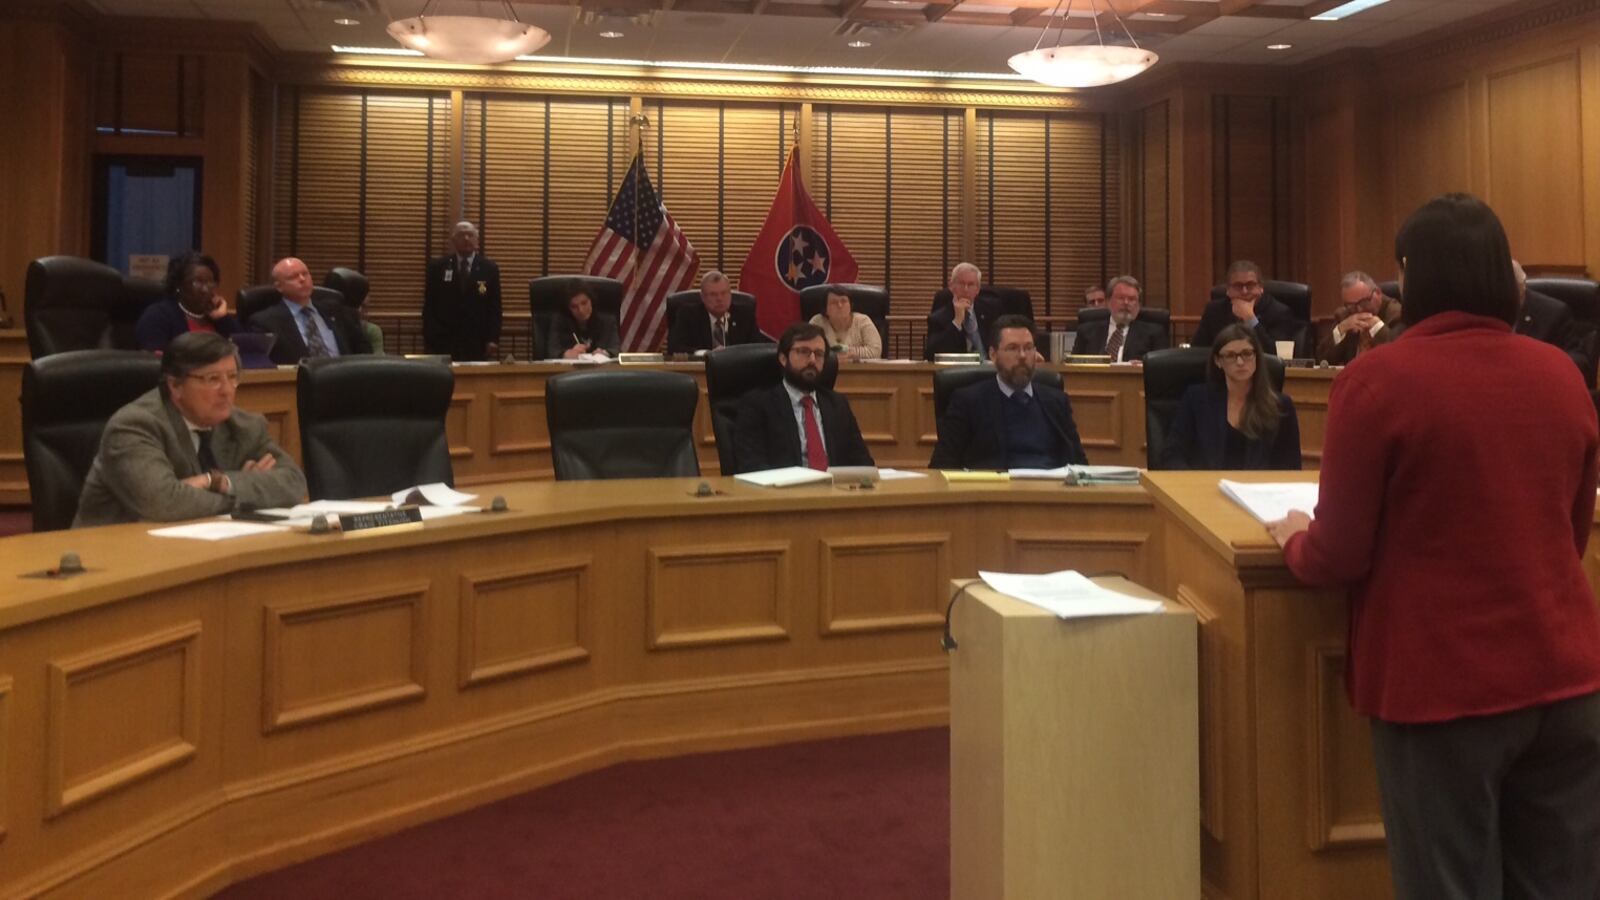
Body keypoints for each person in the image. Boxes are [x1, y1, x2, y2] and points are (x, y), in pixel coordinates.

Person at [1265, 194, 1600, 900]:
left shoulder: (1377, 380)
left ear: (1410, 274)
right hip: (1568, 680)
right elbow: (1570, 534)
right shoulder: (1561, 374)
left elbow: (1339, 553)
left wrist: (1296, 541)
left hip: (1442, 689)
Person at [73, 332, 307, 527]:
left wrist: (220, 482)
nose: (227, 390)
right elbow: (163, 503)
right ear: (175, 385)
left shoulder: (243, 425)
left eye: (232, 377)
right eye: (213, 379)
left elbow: (293, 482)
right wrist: (247, 493)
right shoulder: (134, 426)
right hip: (114, 553)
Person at [929, 315, 1087, 470]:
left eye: (1028, 348)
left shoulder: (1056, 401)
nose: (1022, 356)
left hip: (1049, 484)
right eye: (1012, 348)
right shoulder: (968, 402)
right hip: (996, 485)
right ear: (993, 354)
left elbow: (1080, 464)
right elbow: (941, 465)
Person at [732, 323, 874, 473]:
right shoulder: (758, 405)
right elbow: (752, 466)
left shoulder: (837, 405)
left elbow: (863, 463)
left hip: (835, 486)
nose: (812, 360)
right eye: (804, 352)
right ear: (783, 359)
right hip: (784, 486)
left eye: (819, 354)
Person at [1159, 324, 1300, 470]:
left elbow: (1291, 466)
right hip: (1206, 483)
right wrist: (1193, 481)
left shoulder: (1281, 406)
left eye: (1247, 353)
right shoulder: (1196, 399)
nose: (1240, 362)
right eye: (1231, 356)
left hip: (1259, 484)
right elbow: (1172, 453)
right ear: (1218, 361)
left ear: (1256, 357)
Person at [250, 257, 371, 364]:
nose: (302, 279)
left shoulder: (339, 312)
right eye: (293, 277)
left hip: (344, 378)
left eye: (305, 274)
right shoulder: (265, 322)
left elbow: (366, 354)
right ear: (279, 286)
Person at [423, 221, 502, 361]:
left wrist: (493, 339)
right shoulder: (438, 267)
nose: (466, 238)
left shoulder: (489, 268)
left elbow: (495, 307)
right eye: (461, 235)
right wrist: (431, 337)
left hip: (478, 341)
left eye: (470, 235)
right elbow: (429, 306)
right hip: (445, 341)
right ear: (453, 240)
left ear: (476, 239)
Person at [135, 251, 243, 353]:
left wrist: (222, 318)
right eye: (197, 282)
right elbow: (155, 360)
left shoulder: (218, 318)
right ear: (178, 285)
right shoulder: (157, 316)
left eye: (210, 282)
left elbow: (245, 353)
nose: (205, 289)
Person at [1191, 260, 1303, 354]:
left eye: (1250, 285)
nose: (1244, 292)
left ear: (1261, 288)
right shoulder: (1214, 310)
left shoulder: (1279, 312)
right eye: (1238, 286)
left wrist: (1250, 319)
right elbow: (1197, 352)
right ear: (1228, 290)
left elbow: (1275, 355)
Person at [1512, 259, 1595, 379]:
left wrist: (1543, 363)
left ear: (1523, 286)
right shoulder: (1491, 311)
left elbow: (1580, 361)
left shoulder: (1554, 313)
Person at [1073, 275, 1168, 363]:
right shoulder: (1087, 331)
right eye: (1121, 298)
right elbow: (1073, 363)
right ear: (1108, 302)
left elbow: (1160, 366)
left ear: (1138, 305)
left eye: (1131, 299)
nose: (1126, 303)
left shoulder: (1154, 334)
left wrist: (1144, 366)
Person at [1316, 271, 1403, 365]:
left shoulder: (1397, 314)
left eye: (1364, 302)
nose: (1359, 310)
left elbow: (1400, 354)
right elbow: (1321, 360)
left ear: (1378, 293)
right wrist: (1340, 330)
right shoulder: (1344, 315)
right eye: (1351, 306)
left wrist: (1378, 328)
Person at [667, 270, 764, 354]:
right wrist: (707, 354)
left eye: (724, 293)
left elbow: (757, 348)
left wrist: (733, 355)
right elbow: (675, 348)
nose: (719, 299)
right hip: (702, 367)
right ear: (703, 297)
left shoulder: (744, 314)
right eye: (713, 294)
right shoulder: (688, 315)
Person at [923, 262, 1000, 360]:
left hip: (989, 366)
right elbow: (931, 355)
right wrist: (957, 321)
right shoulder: (938, 318)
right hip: (958, 368)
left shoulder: (991, 310)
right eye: (961, 284)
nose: (966, 289)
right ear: (951, 287)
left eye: (971, 284)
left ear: (977, 289)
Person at [545, 282, 620, 359]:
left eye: (584, 303)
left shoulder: (607, 321)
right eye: (574, 306)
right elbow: (552, 352)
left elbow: (616, 350)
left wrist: (605, 353)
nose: (581, 310)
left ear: (591, 301)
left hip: (600, 366)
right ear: (568, 309)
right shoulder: (560, 321)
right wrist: (566, 354)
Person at [809, 286, 881, 361]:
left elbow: (875, 351)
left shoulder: (863, 321)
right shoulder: (817, 322)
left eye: (844, 301)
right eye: (833, 302)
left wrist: (849, 352)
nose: (840, 305)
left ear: (850, 305)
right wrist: (832, 356)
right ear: (825, 309)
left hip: (859, 368)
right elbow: (808, 349)